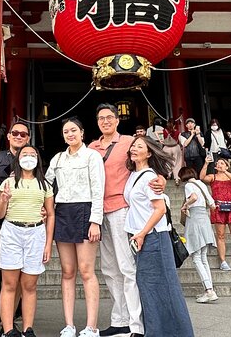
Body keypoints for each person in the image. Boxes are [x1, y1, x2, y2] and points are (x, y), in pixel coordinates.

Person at [88, 104, 166, 337]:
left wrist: (160, 178)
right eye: (101, 118)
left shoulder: (129, 142)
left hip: (121, 208)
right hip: (98, 211)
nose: (105, 121)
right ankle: (119, 319)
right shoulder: (92, 147)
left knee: (126, 267)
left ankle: (136, 325)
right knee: (109, 268)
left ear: (117, 120)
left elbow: (151, 161)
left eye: (109, 117)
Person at [124, 136, 194, 336]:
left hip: (153, 236)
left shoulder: (149, 177)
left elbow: (160, 209)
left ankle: (178, 332)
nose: (134, 149)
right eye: (133, 146)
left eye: (140, 146)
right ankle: (156, 331)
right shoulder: (134, 174)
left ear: (149, 153)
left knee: (164, 286)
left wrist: (142, 233)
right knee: (149, 286)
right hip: (142, 237)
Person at [45, 117, 104, 337]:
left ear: (82, 133)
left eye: (73, 131)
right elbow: (47, 185)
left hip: (85, 211)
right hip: (62, 212)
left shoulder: (92, 156)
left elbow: (98, 189)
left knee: (87, 271)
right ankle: (69, 325)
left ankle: (91, 327)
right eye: (66, 132)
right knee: (67, 271)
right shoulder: (58, 159)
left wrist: (95, 220)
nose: (70, 135)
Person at [0, 144, 55, 337]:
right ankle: (8, 329)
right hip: (12, 231)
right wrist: (3, 200)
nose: (28, 157)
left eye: (32, 154)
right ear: (18, 158)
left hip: (36, 233)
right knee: (10, 284)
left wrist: (48, 244)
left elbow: (51, 215)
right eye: (25, 154)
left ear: (38, 158)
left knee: (29, 285)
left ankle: (28, 329)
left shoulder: (45, 184)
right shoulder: (7, 183)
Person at [0, 120, 32, 337]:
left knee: (19, 275)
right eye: (15, 133)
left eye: (23, 134)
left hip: (23, 225)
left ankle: (9, 321)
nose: (19, 137)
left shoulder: (32, 161)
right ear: (8, 136)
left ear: (28, 138)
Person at [200, 156, 231, 271]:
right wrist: (206, 164)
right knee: (220, 235)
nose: (219, 165)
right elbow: (202, 178)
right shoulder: (213, 177)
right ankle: (223, 261)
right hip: (218, 207)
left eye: (222, 163)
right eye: (218, 163)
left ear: (227, 166)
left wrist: (225, 172)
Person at [179, 167, 218, 304]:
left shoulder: (189, 185)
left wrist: (185, 205)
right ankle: (209, 288)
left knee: (196, 257)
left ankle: (209, 291)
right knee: (203, 257)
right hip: (204, 218)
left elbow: (193, 197)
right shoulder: (201, 184)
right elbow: (212, 204)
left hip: (195, 218)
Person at [163, 121, 183, 186]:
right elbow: (180, 141)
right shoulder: (177, 132)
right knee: (177, 163)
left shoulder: (164, 131)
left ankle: (168, 174)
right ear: (174, 125)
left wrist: (160, 140)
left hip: (166, 148)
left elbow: (156, 133)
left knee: (167, 162)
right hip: (175, 148)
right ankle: (176, 178)